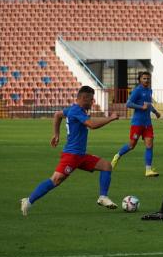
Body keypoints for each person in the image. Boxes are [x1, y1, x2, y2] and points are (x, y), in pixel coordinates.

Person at [20, 86, 119, 216]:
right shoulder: (77, 111)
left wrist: (56, 134)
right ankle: (28, 201)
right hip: (71, 156)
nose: (92, 102)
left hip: (81, 155)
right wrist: (110, 118)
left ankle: (103, 197)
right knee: (56, 180)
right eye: (91, 99)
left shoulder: (73, 109)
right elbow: (92, 125)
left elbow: (57, 115)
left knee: (106, 166)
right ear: (83, 98)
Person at [111, 71, 161, 177]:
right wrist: (140, 107)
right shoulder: (137, 91)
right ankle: (117, 156)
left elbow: (148, 104)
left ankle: (148, 170)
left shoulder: (149, 90)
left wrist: (155, 112)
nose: (146, 80)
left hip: (147, 123)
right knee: (131, 145)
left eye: (148, 78)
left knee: (149, 145)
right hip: (137, 123)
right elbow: (128, 103)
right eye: (144, 78)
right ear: (140, 80)